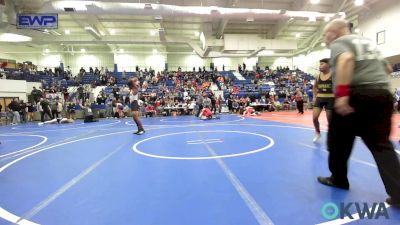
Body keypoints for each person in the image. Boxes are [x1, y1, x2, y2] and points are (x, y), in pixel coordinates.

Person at [317, 19, 400, 208]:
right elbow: (387, 68)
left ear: (334, 32)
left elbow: (346, 59)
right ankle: (399, 194)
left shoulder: (340, 43)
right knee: (381, 146)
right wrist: (376, 88)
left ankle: (338, 179)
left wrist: (344, 95)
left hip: (356, 95)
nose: (325, 38)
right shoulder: (369, 43)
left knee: (338, 142)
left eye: (325, 34)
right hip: (381, 94)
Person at [312, 58, 334, 142]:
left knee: (330, 120)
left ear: (328, 65)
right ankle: (317, 133)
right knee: (314, 118)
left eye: (322, 64)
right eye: (320, 64)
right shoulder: (318, 76)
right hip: (320, 98)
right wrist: (314, 96)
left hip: (331, 98)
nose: (320, 66)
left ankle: (332, 136)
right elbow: (314, 87)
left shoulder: (333, 75)